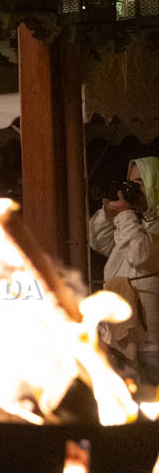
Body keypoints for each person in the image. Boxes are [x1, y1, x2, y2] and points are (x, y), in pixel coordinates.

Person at [89, 156, 159, 379]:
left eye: (139, 183)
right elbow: (98, 240)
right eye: (129, 182)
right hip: (124, 338)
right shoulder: (137, 223)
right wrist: (109, 214)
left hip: (151, 342)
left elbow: (141, 254)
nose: (130, 189)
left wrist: (125, 215)